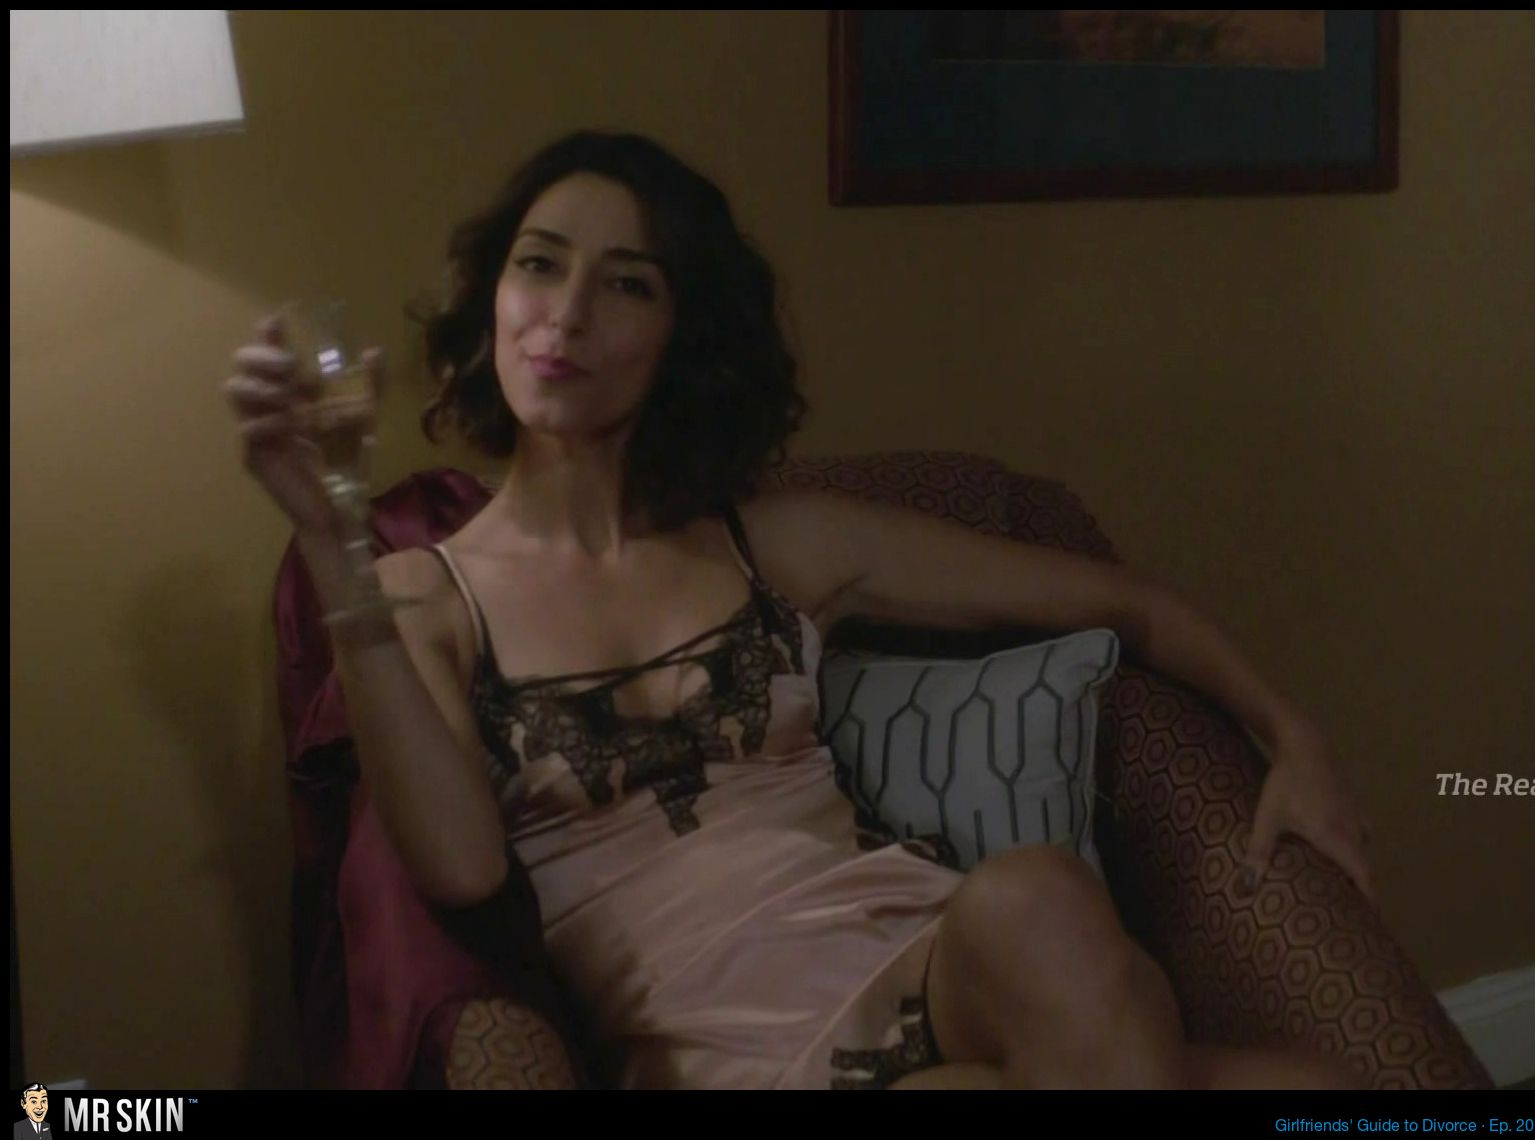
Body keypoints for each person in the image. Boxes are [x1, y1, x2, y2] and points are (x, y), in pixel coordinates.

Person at [224, 129, 1374, 1090]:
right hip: (741, 1060)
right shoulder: (422, 595)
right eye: (539, 265)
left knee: (1047, 904)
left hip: (938, 973)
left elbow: (1124, 602)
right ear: (492, 298)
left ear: (680, 336)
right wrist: (335, 553)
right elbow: (461, 870)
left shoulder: (772, 542)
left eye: (625, 283)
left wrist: (1293, 737)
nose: (563, 315)